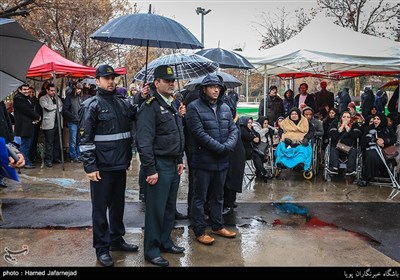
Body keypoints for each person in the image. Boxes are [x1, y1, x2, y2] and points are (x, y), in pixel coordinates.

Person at [79, 65, 138, 267]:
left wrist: (142, 96)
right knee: (100, 209)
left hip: (120, 165)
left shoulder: (122, 103)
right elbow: (85, 140)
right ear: (98, 81)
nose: (111, 81)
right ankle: (102, 248)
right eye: (106, 78)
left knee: (117, 206)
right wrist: (90, 167)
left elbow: (136, 113)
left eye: (113, 78)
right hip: (101, 168)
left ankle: (116, 239)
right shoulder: (91, 105)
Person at [136, 65, 185, 267]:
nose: (172, 83)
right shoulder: (150, 106)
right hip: (159, 165)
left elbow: (177, 134)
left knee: (168, 208)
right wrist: (150, 169)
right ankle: (151, 250)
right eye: (167, 81)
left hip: (173, 164)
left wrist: (180, 159)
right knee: (155, 210)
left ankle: (165, 241)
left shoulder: (173, 104)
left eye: (173, 80)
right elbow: (144, 141)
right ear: (156, 83)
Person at [185, 73, 238, 246]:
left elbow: (233, 130)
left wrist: (227, 147)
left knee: (218, 196)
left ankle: (217, 225)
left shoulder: (225, 107)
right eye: (212, 86)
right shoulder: (194, 107)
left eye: (218, 87)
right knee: (199, 197)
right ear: (204, 88)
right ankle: (199, 230)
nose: (216, 90)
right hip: (203, 160)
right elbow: (198, 133)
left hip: (221, 161)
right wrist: (220, 148)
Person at [39, 83, 63, 167]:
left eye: (55, 90)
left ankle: (56, 158)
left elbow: (61, 107)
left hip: (58, 122)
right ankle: (48, 160)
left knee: (57, 142)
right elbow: (47, 107)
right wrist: (56, 107)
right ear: (47, 90)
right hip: (49, 123)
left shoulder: (58, 98)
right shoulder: (43, 98)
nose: (53, 92)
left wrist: (54, 107)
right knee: (49, 143)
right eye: (52, 90)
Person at [62, 82, 83, 163]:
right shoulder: (69, 98)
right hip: (73, 122)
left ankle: (78, 155)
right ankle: (73, 156)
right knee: (73, 140)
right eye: (78, 89)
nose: (79, 90)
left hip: (80, 122)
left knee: (79, 139)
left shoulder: (80, 98)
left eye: (80, 89)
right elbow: (65, 111)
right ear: (75, 88)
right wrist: (73, 117)